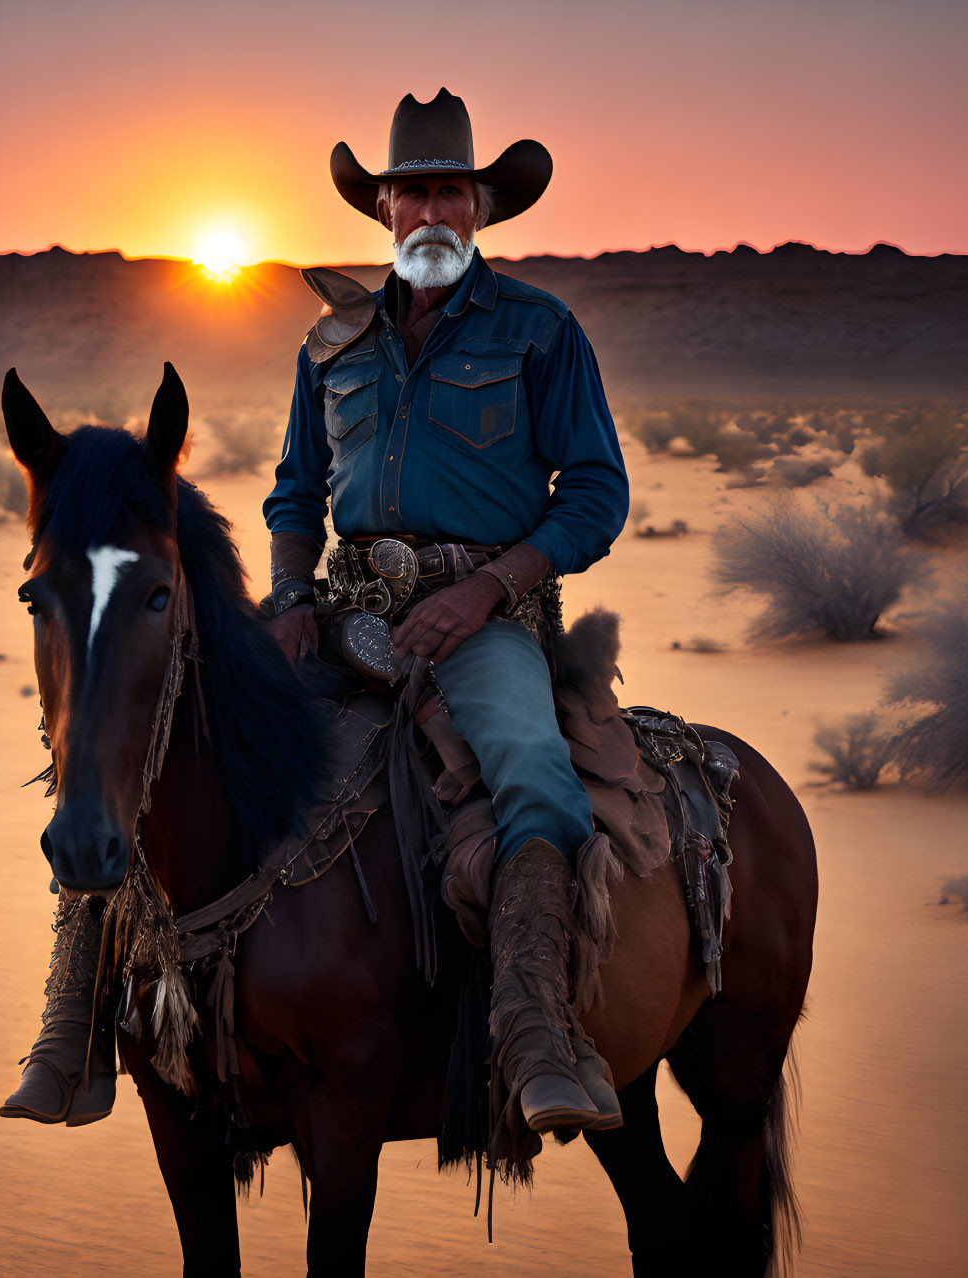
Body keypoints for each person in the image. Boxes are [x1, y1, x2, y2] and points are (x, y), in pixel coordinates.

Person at [262, 89, 629, 1133]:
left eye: (449, 192)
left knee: (533, 780)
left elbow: (596, 496)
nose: (429, 209)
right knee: (170, 713)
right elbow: (294, 490)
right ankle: (103, 1014)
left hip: (486, 617)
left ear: (480, 208)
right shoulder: (331, 342)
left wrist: (482, 592)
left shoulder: (538, 332)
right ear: (379, 206)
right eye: (409, 190)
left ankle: (533, 1034)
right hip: (339, 607)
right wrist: (290, 596)